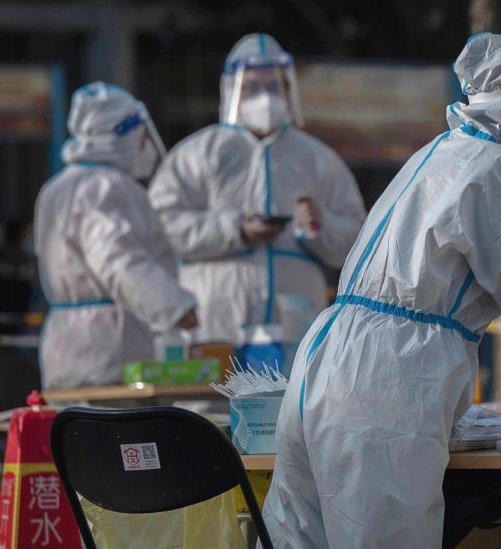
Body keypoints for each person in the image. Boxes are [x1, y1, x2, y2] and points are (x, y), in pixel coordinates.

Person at [263, 32, 501, 548]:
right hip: (391, 377)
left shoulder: (450, 153)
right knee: (385, 538)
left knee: (302, 536)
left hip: (328, 358)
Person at [148, 33, 366, 343]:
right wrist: (234, 229)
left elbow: (357, 241)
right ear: (231, 90)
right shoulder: (199, 154)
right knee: (212, 391)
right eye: (251, 87)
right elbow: (159, 227)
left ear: (289, 90)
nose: (264, 96)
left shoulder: (318, 159)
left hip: (295, 324)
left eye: (273, 86)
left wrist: (319, 226)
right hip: (215, 323)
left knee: (291, 392)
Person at [34, 82, 198, 389]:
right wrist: (174, 306)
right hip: (108, 348)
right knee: (117, 432)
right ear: (124, 135)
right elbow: (117, 259)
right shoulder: (105, 186)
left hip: (66, 345)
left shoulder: (57, 186)